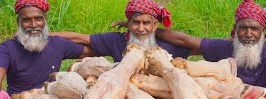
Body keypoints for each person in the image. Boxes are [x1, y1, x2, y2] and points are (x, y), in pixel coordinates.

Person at [154, 0, 266, 99]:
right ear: (235, 30)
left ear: (263, 32)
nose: (249, 34)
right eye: (243, 28)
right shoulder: (224, 48)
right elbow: (185, 40)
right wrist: (151, 30)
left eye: (255, 29)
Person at [50, 0, 191, 62]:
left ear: (155, 25)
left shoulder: (168, 44)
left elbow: (201, 45)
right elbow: (80, 38)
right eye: (136, 22)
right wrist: (46, 36)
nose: (141, 29)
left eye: (146, 23)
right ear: (129, 24)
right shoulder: (117, 40)